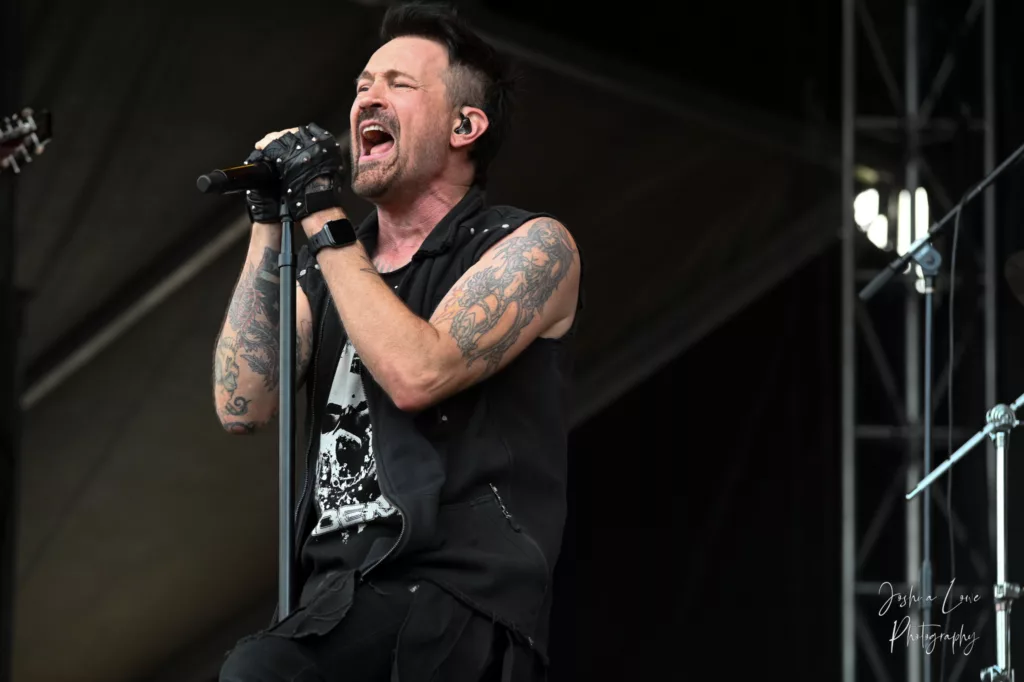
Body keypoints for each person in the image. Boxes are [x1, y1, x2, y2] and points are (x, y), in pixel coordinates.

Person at [212, 3, 584, 680]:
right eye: (362, 85)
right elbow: (242, 403)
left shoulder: (528, 247)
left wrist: (321, 211)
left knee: (259, 672)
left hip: (452, 597)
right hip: (336, 598)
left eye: (398, 84)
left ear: (465, 126)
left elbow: (418, 373)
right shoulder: (331, 273)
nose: (367, 98)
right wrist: (269, 219)